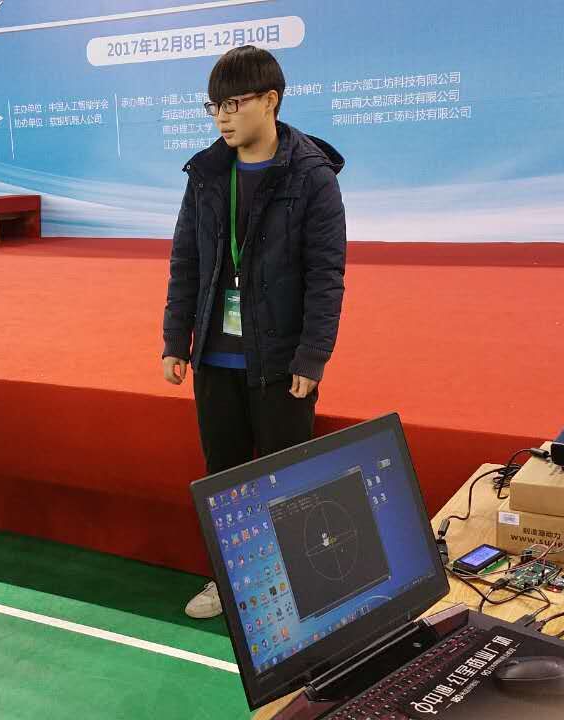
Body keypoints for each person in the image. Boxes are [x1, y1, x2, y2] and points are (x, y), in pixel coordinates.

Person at [161, 45, 347, 618]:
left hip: (281, 362)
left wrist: (312, 356)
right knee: (225, 479)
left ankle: (297, 587)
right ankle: (230, 581)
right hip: (216, 359)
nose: (222, 117)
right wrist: (175, 341)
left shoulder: (312, 176)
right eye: (214, 106)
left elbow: (326, 274)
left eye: (233, 103)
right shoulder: (206, 173)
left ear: (270, 100)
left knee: (287, 482)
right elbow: (186, 261)